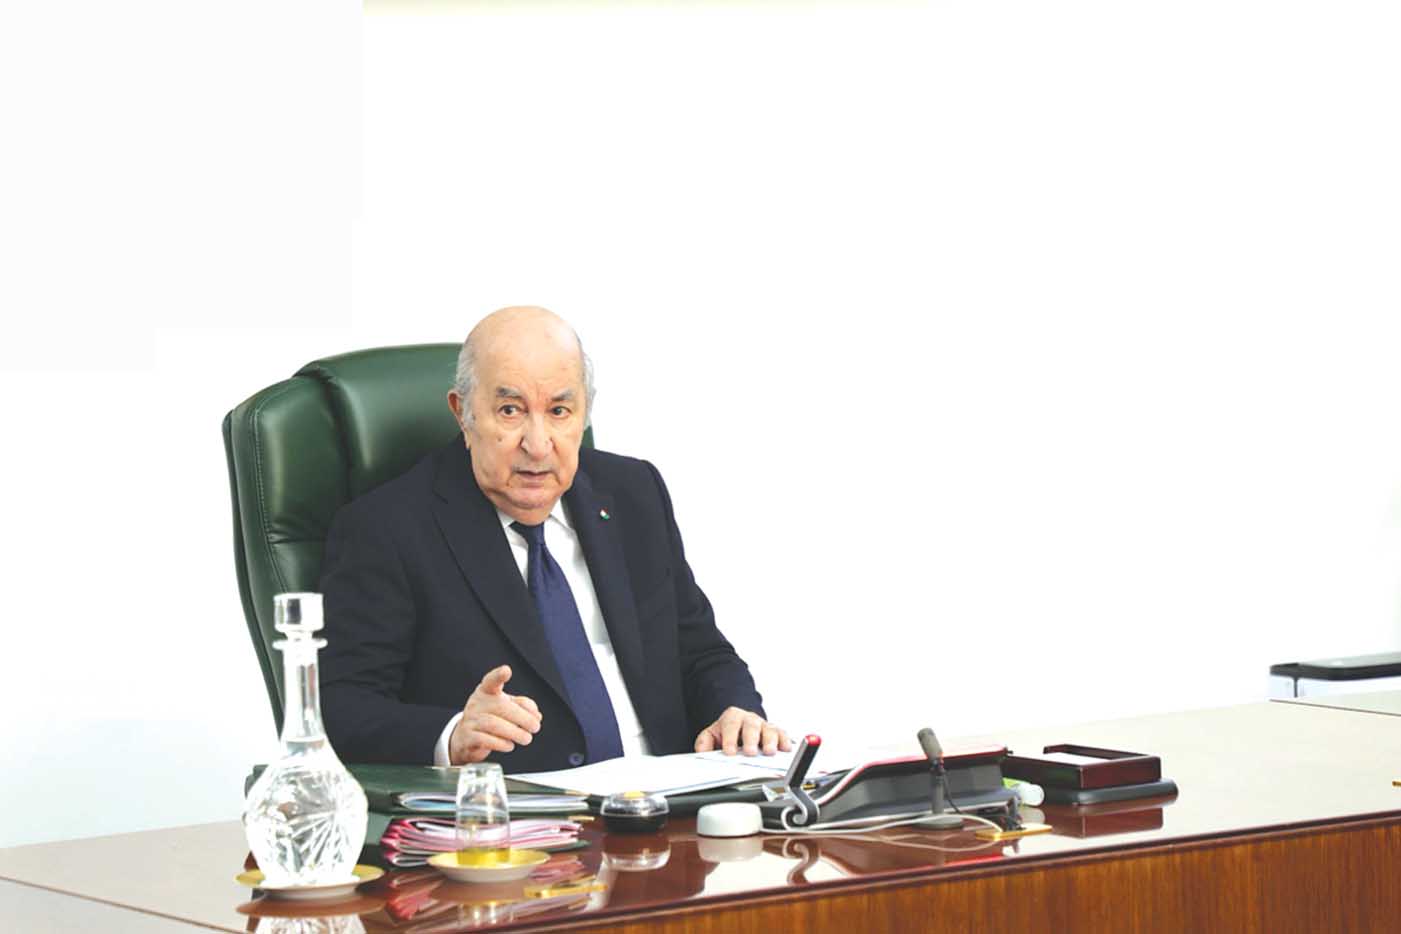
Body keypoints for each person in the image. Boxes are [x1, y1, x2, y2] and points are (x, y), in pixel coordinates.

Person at [318, 306, 789, 770]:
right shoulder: (387, 528)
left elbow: (700, 651)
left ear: (584, 414)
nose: (538, 444)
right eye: (510, 411)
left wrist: (735, 711)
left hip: (665, 800)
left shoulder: (634, 494)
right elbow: (343, 707)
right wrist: (453, 734)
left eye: (559, 411)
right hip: (522, 810)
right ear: (463, 414)